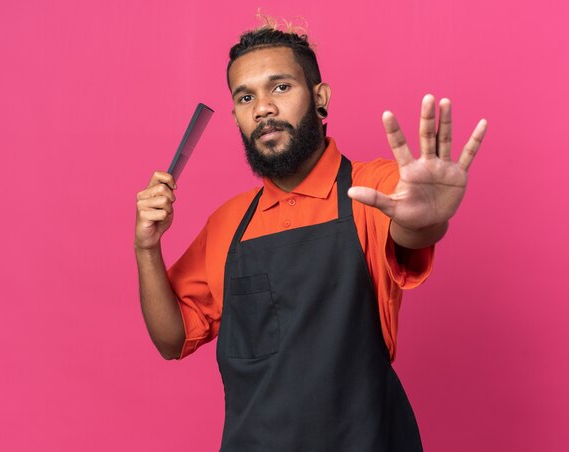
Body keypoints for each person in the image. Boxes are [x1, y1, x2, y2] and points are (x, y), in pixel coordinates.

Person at [134, 22, 487, 452]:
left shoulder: (370, 188)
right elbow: (172, 339)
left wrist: (427, 218)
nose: (262, 108)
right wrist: (147, 247)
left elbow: (410, 223)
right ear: (237, 117)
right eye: (246, 98)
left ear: (320, 98)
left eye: (280, 87)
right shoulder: (227, 224)